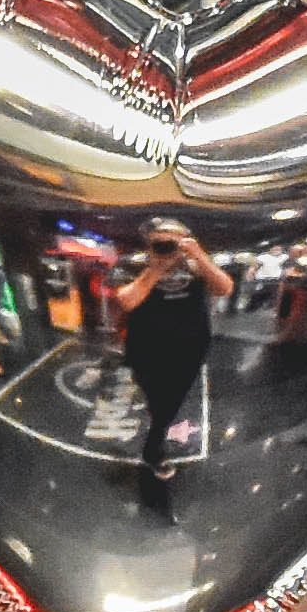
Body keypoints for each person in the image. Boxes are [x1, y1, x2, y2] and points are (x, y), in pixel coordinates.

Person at [118, 215, 229, 515]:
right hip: (147, 348)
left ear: (185, 241)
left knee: (173, 399)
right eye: (160, 241)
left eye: (173, 241)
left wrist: (198, 255)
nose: (167, 247)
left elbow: (224, 288)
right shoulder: (138, 264)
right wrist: (155, 269)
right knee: (157, 399)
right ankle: (154, 448)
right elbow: (127, 301)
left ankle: (153, 446)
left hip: (189, 347)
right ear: (149, 243)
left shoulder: (196, 265)